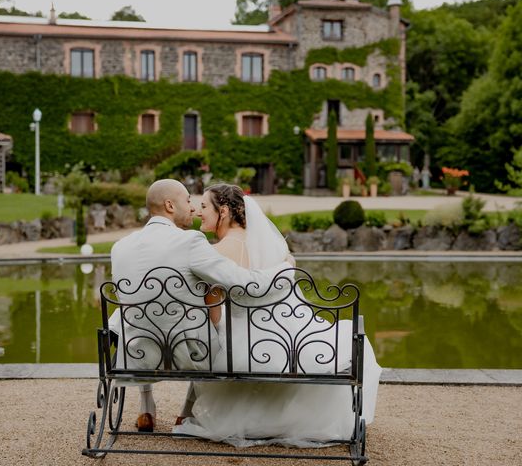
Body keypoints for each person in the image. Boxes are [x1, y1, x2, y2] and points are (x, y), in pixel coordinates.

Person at [174, 183, 382, 447]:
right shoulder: (271, 245)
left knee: (213, 347)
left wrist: (221, 333)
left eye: (204, 206)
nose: (198, 212)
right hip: (289, 337)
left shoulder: (216, 254)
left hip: (246, 345)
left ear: (223, 211)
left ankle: (198, 414)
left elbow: (213, 310)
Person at [108, 179, 295, 433]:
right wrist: (284, 269)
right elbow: (247, 284)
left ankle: (146, 405)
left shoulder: (120, 247)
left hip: (134, 356)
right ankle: (186, 413)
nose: (193, 208)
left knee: (128, 313)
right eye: (187, 201)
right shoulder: (190, 243)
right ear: (170, 205)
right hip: (190, 356)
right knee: (206, 323)